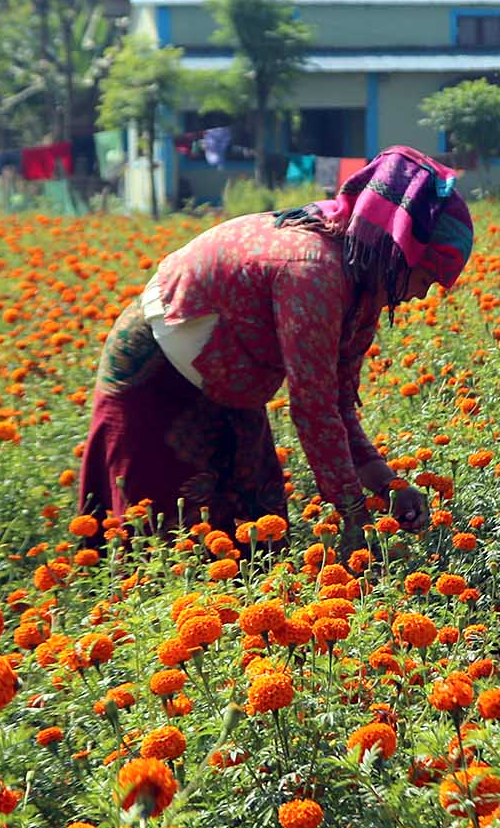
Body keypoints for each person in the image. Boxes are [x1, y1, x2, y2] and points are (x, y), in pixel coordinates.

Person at [77, 146, 474, 543]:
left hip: (229, 385)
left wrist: (389, 487)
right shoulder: (314, 272)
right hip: (157, 379)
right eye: (425, 278)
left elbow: (336, 404)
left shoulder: (363, 280)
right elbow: (313, 409)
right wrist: (354, 517)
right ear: (397, 252)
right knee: (156, 541)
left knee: (257, 536)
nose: (422, 295)